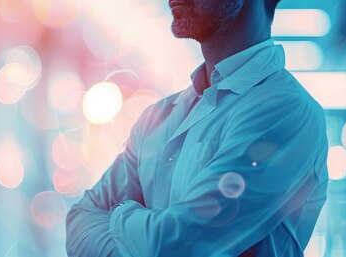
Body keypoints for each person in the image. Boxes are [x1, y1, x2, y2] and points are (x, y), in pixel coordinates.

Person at [66, 0, 328, 256]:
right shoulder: (157, 116)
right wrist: (146, 233)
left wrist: (119, 212)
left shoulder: (285, 111)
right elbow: (78, 222)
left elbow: (176, 247)